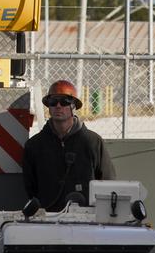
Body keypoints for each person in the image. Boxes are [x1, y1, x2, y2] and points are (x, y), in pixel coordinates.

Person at [22, 80, 116, 211]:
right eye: (53, 101)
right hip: (48, 218)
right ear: (48, 106)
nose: (58, 106)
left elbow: (108, 181)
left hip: (87, 217)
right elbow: (31, 186)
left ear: (74, 106)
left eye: (64, 101)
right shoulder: (35, 145)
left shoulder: (93, 142)